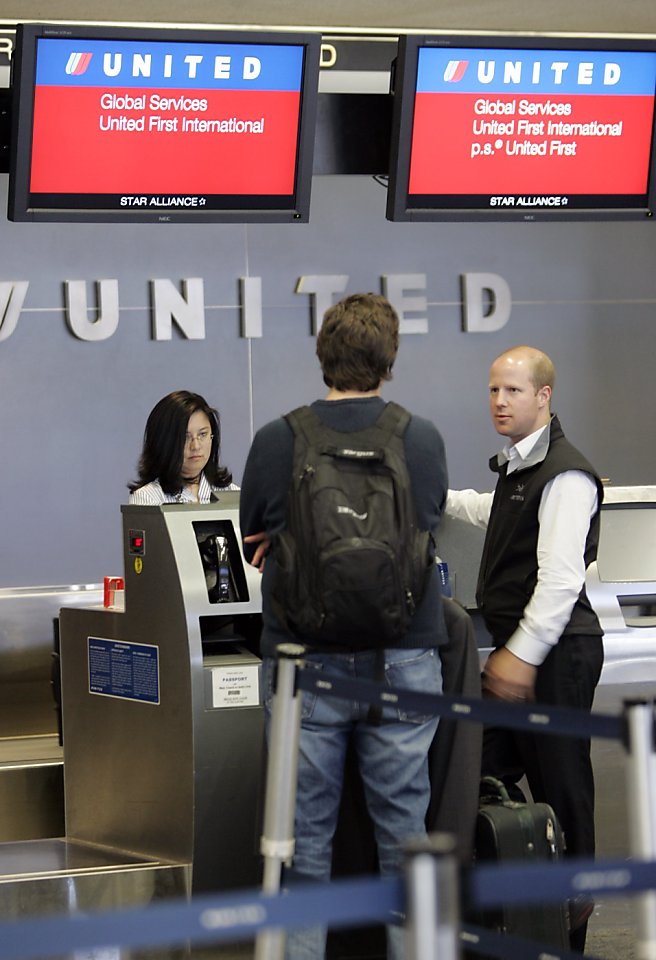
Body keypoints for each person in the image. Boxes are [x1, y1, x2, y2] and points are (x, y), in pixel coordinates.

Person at [239, 292, 449, 960]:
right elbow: (428, 526)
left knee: (301, 847)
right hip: (405, 659)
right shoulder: (420, 436)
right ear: (390, 359)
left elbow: (252, 540)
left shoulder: (278, 438)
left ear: (323, 354)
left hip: (306, 663)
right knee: (405, 843)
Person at [446, 345, 604, 952]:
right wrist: (438, 499)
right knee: (477, 768)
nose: (499, 402)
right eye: (493, 390)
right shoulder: (520, 470)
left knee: (563, 789)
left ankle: (573, 933)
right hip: (530, 656)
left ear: (544, 396)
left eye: (512, 391)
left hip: (557, 655)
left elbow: (561, 581)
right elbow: (498, 515)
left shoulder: (565, 474)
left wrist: (520, 656)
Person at [128, 390, 238, 503]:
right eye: (185, 437)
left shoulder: (234, 495)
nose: (195, 446)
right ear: (164, 442)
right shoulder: (147, 498)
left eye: (202, 434)